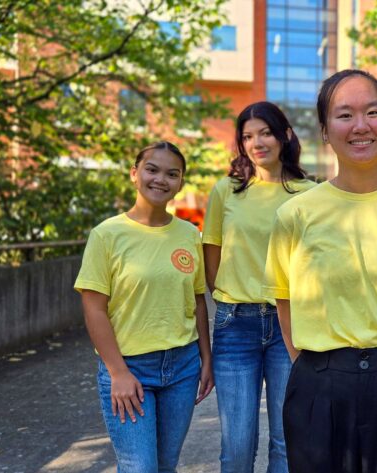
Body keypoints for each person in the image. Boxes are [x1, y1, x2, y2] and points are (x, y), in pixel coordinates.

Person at [263, 69, 377, 473]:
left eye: (373, 112)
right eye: (344, 115)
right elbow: (285, 298)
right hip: (318, 383)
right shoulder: (295, 214)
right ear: (326, 131)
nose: (361, 126)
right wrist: (311, 365)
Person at [74, 141, 214, 473]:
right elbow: (94, 309)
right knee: (140, 467)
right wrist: (118, 372)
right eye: (152, 169)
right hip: (130, 367)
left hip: (182, 367)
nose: (160, 179)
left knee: (166, 465)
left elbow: (197, 302)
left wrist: (206, 358)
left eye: (172, 174)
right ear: (135, 174)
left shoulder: (189, 235)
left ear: (180, 184)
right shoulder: (107, 234)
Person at [202, 101, 315, 473]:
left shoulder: (309, 194)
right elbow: (212, 257)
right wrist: (235, 291)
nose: (257, 142)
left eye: (265, 132)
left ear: (285, 135)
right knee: (237, 444)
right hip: (236, 325)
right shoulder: (226, 191)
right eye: (247, 136)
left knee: (286, 440)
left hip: (290, 326)